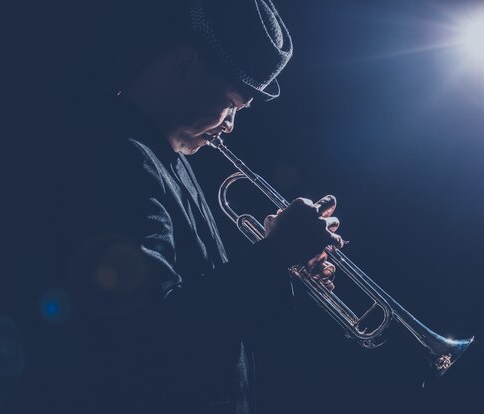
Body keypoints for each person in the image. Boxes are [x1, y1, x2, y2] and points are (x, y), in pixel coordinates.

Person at [56, 1, 345, 413]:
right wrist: (275, 254)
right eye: (231, 104)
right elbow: (151, 334)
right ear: (185, 64)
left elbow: (208, 313)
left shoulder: (165, 158)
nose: (229, 125)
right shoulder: (120, 156)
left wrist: (284, 265)